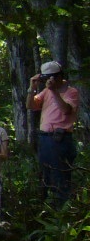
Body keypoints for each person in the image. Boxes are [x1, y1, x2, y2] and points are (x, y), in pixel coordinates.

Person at [28, 61, 81, 206]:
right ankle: (47, 212)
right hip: (45, 139)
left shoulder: (71, 92)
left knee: (60, 177)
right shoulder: (46, 91)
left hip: (60, 139)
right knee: (46, 176)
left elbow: (66, 110)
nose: (49, 81)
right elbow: (31, 105)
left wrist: (53, 91)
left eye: (51, 78)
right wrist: (32, 88)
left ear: (59, 77)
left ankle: (62, 213)